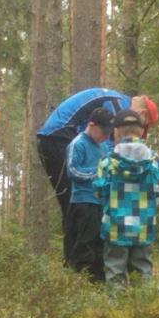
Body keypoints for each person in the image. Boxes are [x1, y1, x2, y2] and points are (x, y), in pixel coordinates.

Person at [37, 88, 159, 227]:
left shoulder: (119, 100)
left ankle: (81, 243)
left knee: (73, 204)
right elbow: (108, 148)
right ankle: (82, 246)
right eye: (144, 124)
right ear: (142, 114)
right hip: (58, 136)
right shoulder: (118, 106)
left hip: (53, 136)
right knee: (76, 202)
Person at [94, 110, 159, 287]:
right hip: (144, 224)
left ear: (117, 131)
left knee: (114, 268)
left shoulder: (107, 161)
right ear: (142, 132)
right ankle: (145, 307)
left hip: (115, 225)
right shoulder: (153, 160)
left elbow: (99, 190)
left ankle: (117, 310)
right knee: (143, 269)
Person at [65, 107, 115, 282]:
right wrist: (97, 173)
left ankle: (98, 280)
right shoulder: (78, 143)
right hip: (83, 202)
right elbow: (72, 171)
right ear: (92, 125)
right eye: (104, 132)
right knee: (84, 244)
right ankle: (81, 280)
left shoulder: (103, 147)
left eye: (109, 133)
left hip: (100, 203)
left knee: (99, 243)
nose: (106, 137)